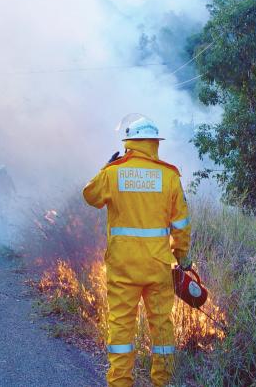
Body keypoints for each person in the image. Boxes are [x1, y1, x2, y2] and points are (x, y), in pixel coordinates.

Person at [83, 117, 192, 387]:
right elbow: (181, 223)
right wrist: (181, 255)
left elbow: (90, 196)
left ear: (129, 143)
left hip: (123, 268)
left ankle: (120, 383)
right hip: (157, 266)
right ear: (155, 143)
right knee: (162, 327)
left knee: (121, 328)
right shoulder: (169, 176)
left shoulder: (114, 172)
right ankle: (161, 382)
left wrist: (106, 167)